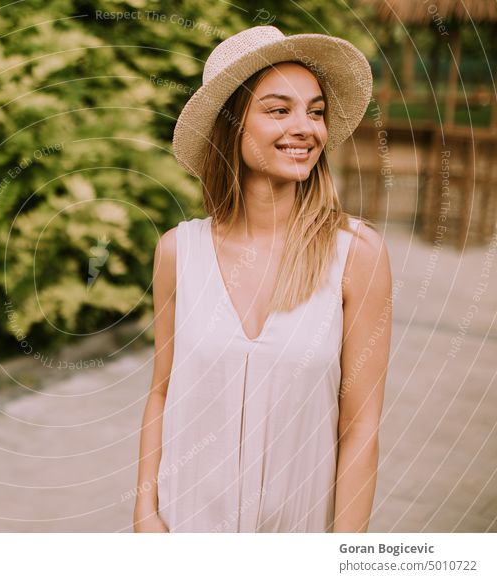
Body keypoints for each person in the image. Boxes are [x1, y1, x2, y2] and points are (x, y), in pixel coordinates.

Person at [133, 26, 392, 533]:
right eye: (279, 110)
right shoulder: (177, 253)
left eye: (315, 111)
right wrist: (145, 513)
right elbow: (161, 393)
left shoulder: (356, 255)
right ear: (234, 126)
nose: (307, 128)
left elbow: (360, 426)